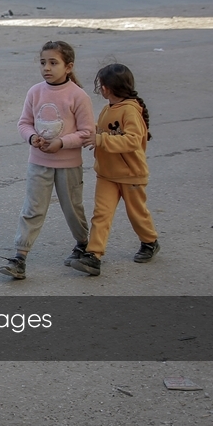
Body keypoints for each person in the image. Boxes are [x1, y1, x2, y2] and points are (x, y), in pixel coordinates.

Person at [0, 41, 95, 280]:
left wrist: (61, 143)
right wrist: (32, 138)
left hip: (69, 165)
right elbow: (24, 123)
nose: (47, 68)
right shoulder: (35, 92)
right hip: (38, 162)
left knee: (72, 209)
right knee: (32, 209)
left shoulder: (78, 96)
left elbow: (87, 132)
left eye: (54, 63)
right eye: (43, 62)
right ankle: (19, 258)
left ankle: (83, 244)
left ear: (69, 66)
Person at [70, 64, 159, 276]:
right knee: (101, 214)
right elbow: (100, 131)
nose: (100, 88)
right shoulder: (107, 109)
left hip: (131, 175)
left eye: (101, 85)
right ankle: (94, 256)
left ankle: (149, 242)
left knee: (137, 214)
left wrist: (100, 139)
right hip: (107, 174)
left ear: (107, 88)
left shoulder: (130, 110)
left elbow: (133, 141)